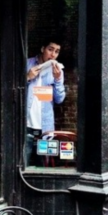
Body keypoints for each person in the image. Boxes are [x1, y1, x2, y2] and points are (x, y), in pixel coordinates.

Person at [25, 37, 66, 166]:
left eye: (57, 51)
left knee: (43, 165)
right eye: (50, 49)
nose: (53, 54)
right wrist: (26, 77)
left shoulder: (57, 71)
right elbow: (12, 91)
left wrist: (58, 79)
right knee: (22, 163)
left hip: (45, 128)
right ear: (43, 49)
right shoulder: (27, 64)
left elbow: (60, 100)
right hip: (25, 126)